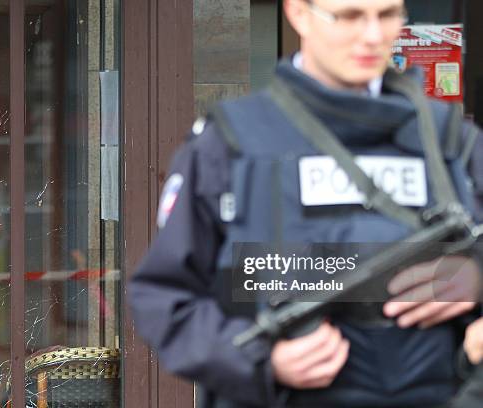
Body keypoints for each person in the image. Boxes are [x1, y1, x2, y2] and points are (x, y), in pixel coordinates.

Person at [128, 0, 483, 406]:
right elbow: (163, 298)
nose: (372, 35)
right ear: (299, 14)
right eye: (349, 16)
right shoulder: (229, 145)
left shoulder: (453, 142)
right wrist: (262, 361)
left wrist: (477, 276)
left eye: (387, 15)